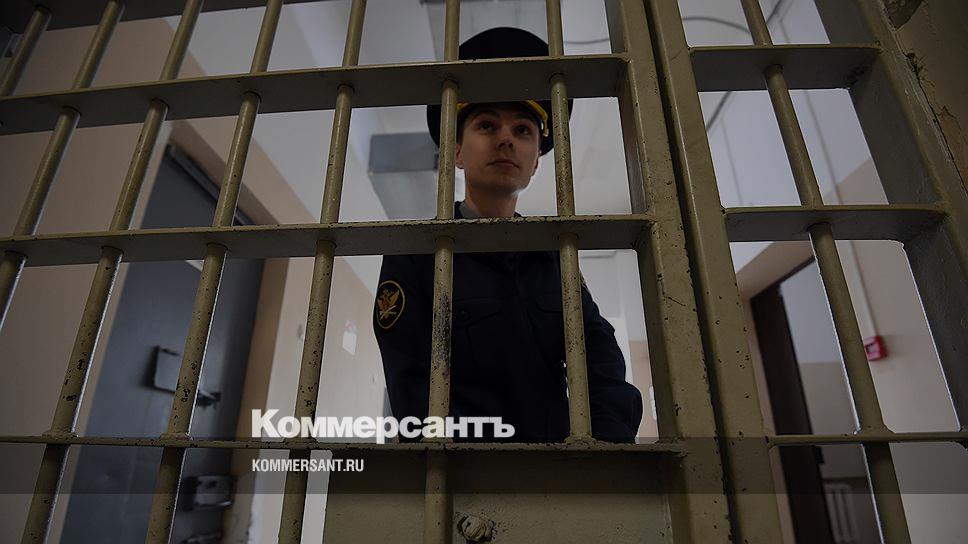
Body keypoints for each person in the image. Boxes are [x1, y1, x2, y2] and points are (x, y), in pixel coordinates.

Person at [372, 27, 642, 443]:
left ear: (535, 163)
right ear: (457, 152)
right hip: (459, 471)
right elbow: (411, 385)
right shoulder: (417, 253)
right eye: (486, 125)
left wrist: (603, 448)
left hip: (563, 469)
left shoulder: (554, 256)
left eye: (522, 130)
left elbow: (600, 359)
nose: (505, 139)